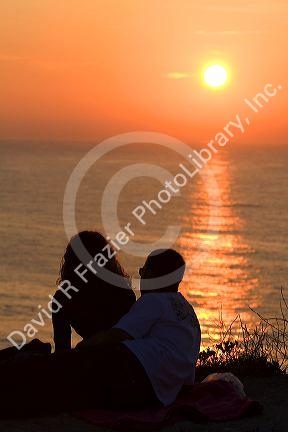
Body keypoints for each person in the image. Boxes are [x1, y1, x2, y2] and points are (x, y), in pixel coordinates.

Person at [0, 249, 201, 418]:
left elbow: (116, 336)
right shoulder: (187, 311)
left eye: (144, 270)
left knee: (52, 372)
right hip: (149, 391)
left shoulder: (153, 301)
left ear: (156, 276)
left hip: (128, 366)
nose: (140, 274)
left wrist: (82, 349)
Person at [52, 231, 136, 351]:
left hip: (93, 360)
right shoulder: (124, 292)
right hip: (124, 359)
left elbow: (62, 350)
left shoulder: (63, 298)